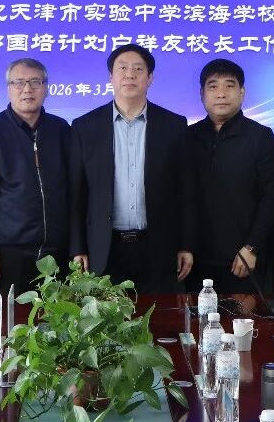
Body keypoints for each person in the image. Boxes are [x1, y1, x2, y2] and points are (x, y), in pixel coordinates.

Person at [69, 44, 194, 294]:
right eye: (122, 68)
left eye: (138, 69)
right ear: (111, 77)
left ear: (150, 78)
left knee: (160, 315)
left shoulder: (174, 126)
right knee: (106, 316)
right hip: (105, 248)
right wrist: (77, 247)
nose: (130, 75)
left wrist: (186, 244)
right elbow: (77, 193)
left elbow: (186, 191)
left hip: (158, 246)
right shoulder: (85, 126)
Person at [0, 59, 69, 294]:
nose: (27, 89)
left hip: (58, 252)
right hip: (8, 253)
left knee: (59, 316)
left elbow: (74, 191)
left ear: (46, 87)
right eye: (19, 82)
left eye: (35, 82)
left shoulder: (61, 129)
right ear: (8, 88)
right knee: (10, 316)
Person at [184, 59, 274, 294]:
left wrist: (252, 246)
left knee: (242, 318)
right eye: (213, 86)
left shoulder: (260, 137)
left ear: (242, 93)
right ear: (202, 94)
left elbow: (272, 196)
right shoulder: (188, 137)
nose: (221, 94)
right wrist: (183, 246)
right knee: (193, 317)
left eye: (229, 85)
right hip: (194, 260)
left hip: (242, 259)